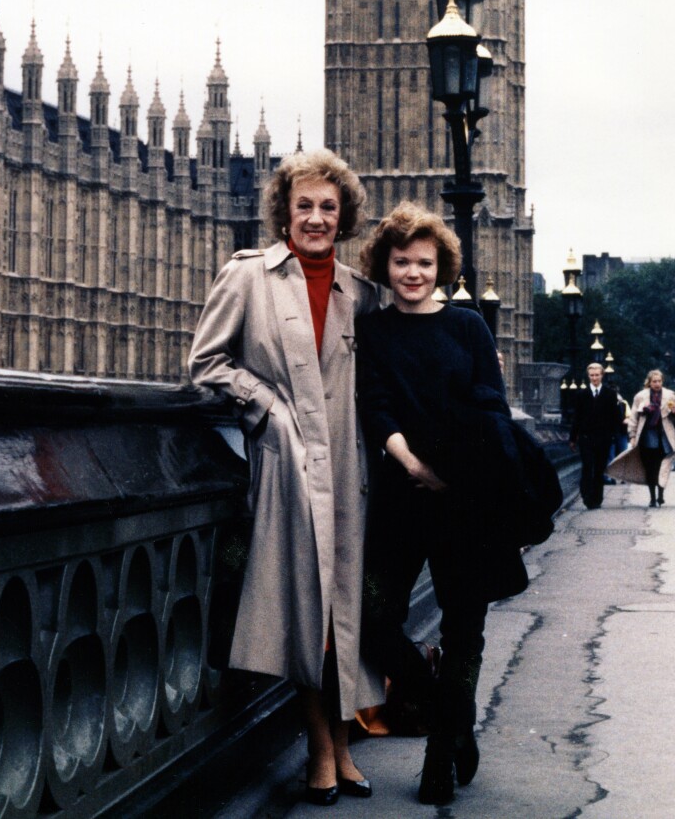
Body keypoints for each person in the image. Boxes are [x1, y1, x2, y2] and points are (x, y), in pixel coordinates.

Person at [188, 149, 381, 805]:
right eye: (305, 205)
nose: (316, 217)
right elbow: (207, 362)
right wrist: (266, 408)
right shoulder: (249, 275)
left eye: (329, 206)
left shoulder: (362, 292)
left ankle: (344, 744)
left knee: (345, 613)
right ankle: (321, 747)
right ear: (284, 213)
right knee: (307, 613)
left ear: (343, 216)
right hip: (288, 469)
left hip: (350, 469)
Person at [355, 202, 548, 807]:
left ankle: (440, 756)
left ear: (441, 267)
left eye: (424, 262)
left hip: (466, 501)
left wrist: (457, 473)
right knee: (372, 617)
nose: (412, 272)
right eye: (401, 262)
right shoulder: (374, 331)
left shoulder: (468, 327)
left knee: (465, 632)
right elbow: (374, 406)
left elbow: (491, 407)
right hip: (401, 497)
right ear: (385, 266)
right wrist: (413, 464)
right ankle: (449, 711)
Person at [569, 363, 623, 509]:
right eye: (592, 375)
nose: (594, 378)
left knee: (599, 468)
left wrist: (613, 435)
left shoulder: (610, 394)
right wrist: (573, 438)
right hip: (586, 437)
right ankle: (587, 495)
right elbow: (576, 418)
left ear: (602, 375)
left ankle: (597, 498)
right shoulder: (581, 395)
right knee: (587, 466)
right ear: (588, 376)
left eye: (597, 375)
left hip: (603, 438)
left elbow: (616, 417)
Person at [624, 370, 675, 507]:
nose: (657, 384)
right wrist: (632, 435)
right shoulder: (640, 396)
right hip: (648, 436)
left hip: (665, 436)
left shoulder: (670, 395)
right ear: (649, 382)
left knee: (663, 467)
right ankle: (652, 497)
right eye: (654, 381)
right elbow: (633, 417)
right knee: (650, 468)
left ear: (662, 381)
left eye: (659, 381)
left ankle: (661, 495)